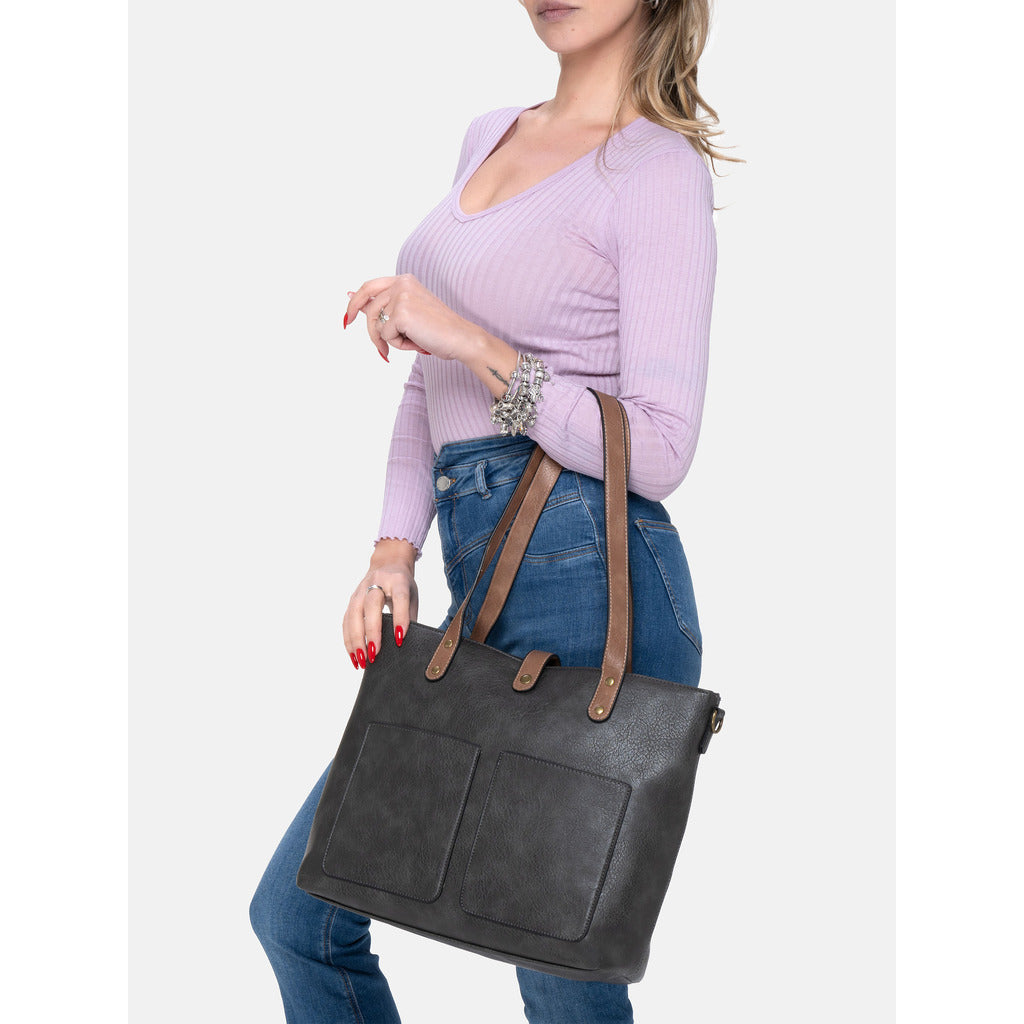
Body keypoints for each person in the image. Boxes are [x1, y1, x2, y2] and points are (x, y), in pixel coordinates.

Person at [249, 1, 738, 1020]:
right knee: (299, 914)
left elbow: (657, 448)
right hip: (483, 567)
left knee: (555, 958)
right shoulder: (489, 133)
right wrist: (393, 549)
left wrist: (474, 341)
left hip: (595, 579)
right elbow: (428, 380)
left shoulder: (656, 170)